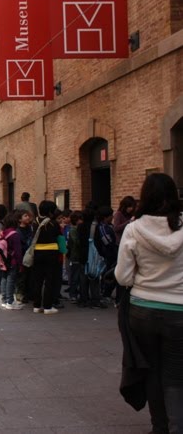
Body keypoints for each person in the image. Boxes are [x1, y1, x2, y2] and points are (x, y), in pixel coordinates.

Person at [115, 173, 183, 434]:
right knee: (175, 374)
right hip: (178, 310)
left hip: (143, 309)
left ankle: (159, 427)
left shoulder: (134, 229)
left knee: (152, 370)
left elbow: (123, 277)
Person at [30, 200, 62, 314]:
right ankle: (48, 307)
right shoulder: (53, 223)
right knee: (49, 280)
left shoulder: (35, 222)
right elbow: (59, 238)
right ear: (50, 211)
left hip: (37, 253)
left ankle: (36, 306)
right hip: (51, 254)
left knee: (38, 280)